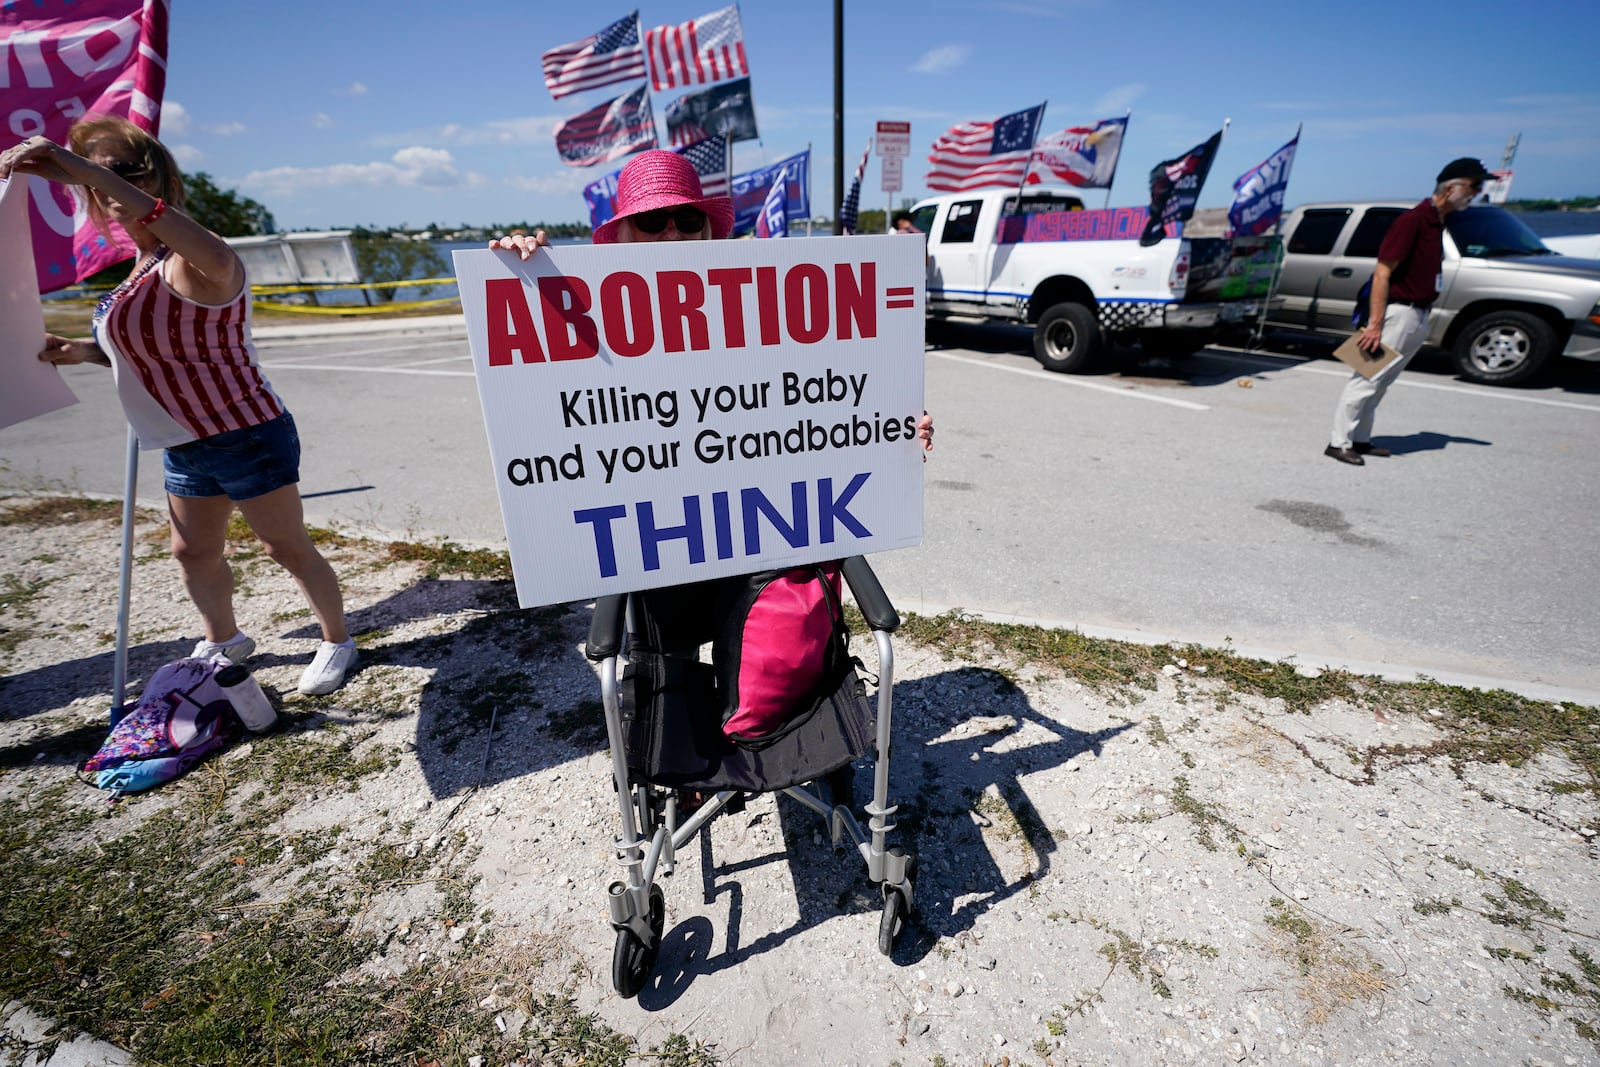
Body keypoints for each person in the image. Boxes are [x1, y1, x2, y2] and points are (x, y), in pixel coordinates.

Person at [0, 118, 358, 695]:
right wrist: (83, 352)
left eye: (123, 170)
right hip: (182, 438)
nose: (103, 185)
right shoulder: (138, 271)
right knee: (191, 551)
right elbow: (156, 354)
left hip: (244, 429)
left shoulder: (196, 256)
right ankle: (224, 639)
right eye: (96, 174)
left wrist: (86, 171)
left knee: (284, 545)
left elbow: (185, 242)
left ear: (158, 179)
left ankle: (337, 639)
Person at [1325, 156, 1491, 466]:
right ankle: (1339, 442)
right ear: (1451, 187)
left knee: (1383, 382)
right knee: (1366, 378)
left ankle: (1361, 439)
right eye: (1473, 186)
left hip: (1418, 313)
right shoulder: (1413, 220)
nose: (1476, 193)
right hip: (1396, 315)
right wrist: (1374, 325)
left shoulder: (1437, 222)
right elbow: (1382, 272)